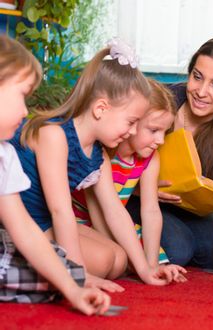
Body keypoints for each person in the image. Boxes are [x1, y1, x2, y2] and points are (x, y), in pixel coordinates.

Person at [10, 38, 183, 290]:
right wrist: (78, 274)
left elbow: (116, 212)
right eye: (131, 121)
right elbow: (61, 211)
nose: (132, 131)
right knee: (102, 262)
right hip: (24, 220)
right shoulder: (55, 135)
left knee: (119, 260)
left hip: (44, 219)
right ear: (101, 108)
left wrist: (147, 269)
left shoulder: (98, 154)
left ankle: (55, 266)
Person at [126, 36, 213, 285]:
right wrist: (141, 189)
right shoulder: (160, 100)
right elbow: (115, 156)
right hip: (132, 195)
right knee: (179, 248)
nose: (201, 92)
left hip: (187, 208)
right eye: (197, 76)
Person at [0, 35, 110, 315]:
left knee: (53, 269)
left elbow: (24, 229)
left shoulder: (5, 156)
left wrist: (73, 287)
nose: (26, 111)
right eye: (21, 95)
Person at [71, 78, 186, 282]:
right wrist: (136, 264)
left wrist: (151, 265)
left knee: (158, 257)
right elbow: (101, 214)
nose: (160, 140)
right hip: (84, 222)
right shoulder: (102, 153)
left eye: (164, 132)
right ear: (133, 122)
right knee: (117, 260)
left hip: (117, 222)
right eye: (153, 130)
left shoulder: (151, 157)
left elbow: (150, 210)